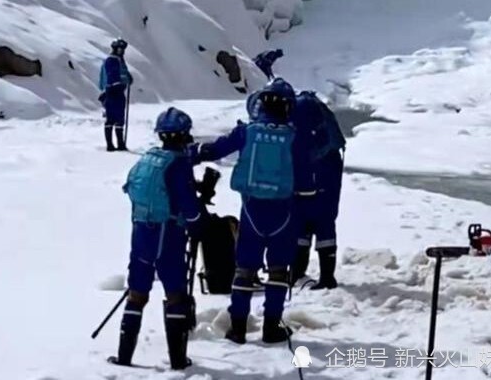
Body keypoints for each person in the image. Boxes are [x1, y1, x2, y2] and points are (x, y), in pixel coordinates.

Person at [198, 78, 297, 345]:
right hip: (283, 211)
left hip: (251, 209)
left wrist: (190, 152)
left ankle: (238, 327)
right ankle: (272, 327)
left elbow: (216, 149)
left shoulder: (247, 132)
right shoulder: (293, 136)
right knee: (278, 270)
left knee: (244, 268)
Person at [108, 107, 203, 370]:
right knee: (175, 292)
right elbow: (187, 204)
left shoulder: (149, 157)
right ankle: (177, 360)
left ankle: (124, 356)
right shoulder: (178, 164)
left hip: (141, 232)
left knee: (137, 291)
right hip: (168, 234)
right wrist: (197, 223)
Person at [289, 91, 345, 290]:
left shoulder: (297, 117)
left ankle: (296, 273)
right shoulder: (319, 117)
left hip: (309, 180)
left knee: (301, 225)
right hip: (329, 177)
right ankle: (327, 275)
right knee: (325, 224)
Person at [99, 38, 133, 151]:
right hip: (112, 91)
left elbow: (123, 74)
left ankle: (120, 143)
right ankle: (110, 144)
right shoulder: (111, 60)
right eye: (120, 49)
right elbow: (112, 76)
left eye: (123, 49)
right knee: (111, 117)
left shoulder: (120, 60)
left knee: (119, 117)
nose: (122, 51)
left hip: (118, 91)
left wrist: (128, 78)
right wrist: (121, 81)